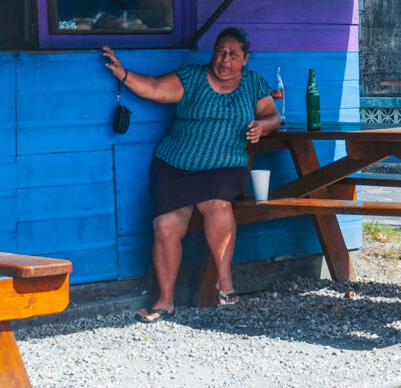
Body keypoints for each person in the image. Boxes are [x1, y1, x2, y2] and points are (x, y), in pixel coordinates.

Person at [101, 27, 281, 323]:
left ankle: (224, 284)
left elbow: (272, 115)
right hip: (175, 166)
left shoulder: (253, 83)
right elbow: (155, 88)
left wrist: (263, 126)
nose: (225, 60)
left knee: (217, 205)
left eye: (233, 55)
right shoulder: (192, 76)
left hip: (225, 166)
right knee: (166, 226)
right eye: (220, 52)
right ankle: (165, 301)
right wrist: (123, 73)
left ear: (246, 59)